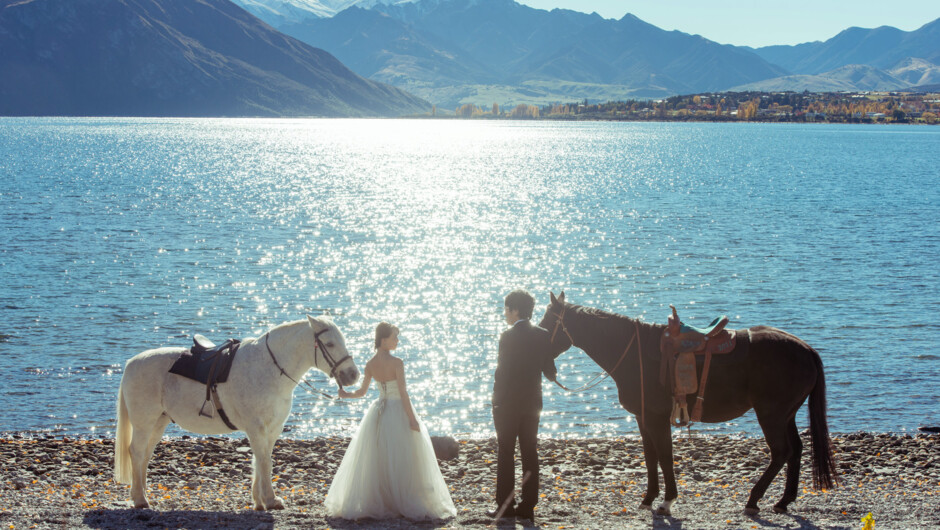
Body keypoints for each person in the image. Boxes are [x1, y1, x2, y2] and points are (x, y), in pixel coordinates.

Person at [324, 322, 456, 520]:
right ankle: (402, 498)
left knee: (381, 456)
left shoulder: (370, 364)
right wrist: (412, 419)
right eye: (394, 337)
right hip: (397, 411)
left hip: (380, 412)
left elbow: (361, 393)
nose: (397, 341)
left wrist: (345, 394)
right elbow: (403, 393)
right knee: (404, 455)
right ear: (383, 340)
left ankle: (386, 499)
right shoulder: (397, 363)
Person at [487, 290, 557, 522]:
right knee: (529, 452)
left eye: (506, 309)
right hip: (532, 404)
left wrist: (496, 401)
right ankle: (528, 505)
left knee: (506, 453)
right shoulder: (543, 334)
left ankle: (505, 506)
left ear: (515, 310)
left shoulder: (507, 336)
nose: (505, 313)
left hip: (508, 404)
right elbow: (549, 372)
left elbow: (502, 373)